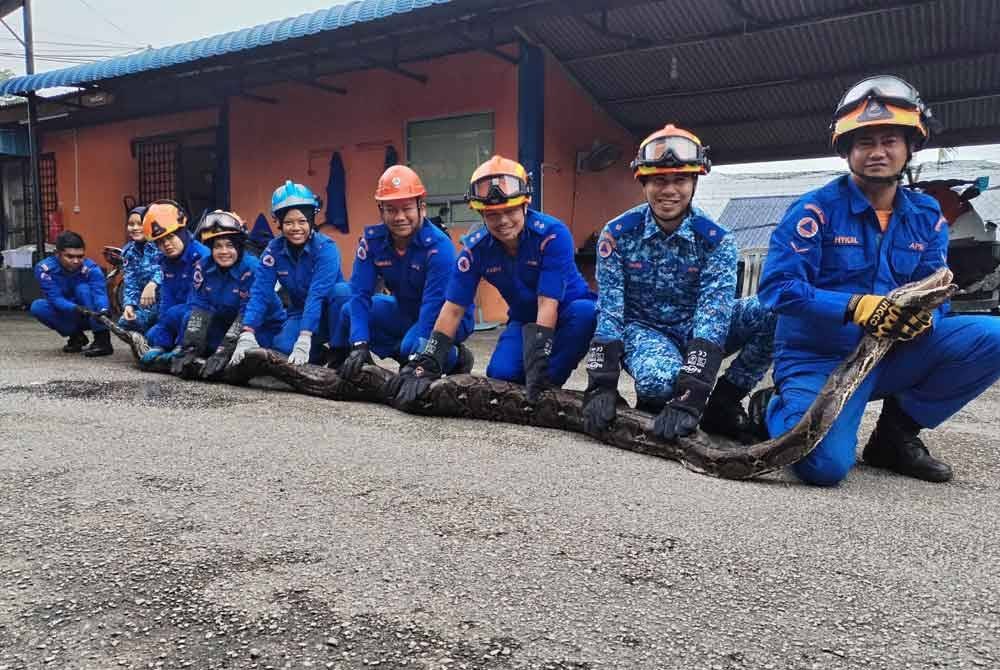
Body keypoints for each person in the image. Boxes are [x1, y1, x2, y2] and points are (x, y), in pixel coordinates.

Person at [757, 75, 1000, 485]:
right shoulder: (814, 210)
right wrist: (854, 307)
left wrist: (927, 320)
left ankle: (894, 438)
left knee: (991, 337)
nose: (877, 152)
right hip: (819, 358)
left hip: (892, 354)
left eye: (889, 141)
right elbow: (777, 289)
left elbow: (936, 293)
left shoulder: (927, 218)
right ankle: (771, 406)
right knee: (823, 467)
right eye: (864, 142)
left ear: (910, 146)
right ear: (846, 149)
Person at [581, 124, 776, 443]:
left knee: (775, 308)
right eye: (659, 180)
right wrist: (602, 383)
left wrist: (694, 393)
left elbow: (714, 317)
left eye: (680, 179)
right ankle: (659, 396)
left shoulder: (716, 240)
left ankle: (724, 401)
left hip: (699, 329)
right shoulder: (617, 235)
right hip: (647, 329)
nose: (669, 190)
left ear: (694, 182)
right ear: (643, 182)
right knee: (660, 383)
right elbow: (611, 311)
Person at [390, 155, 597, 407]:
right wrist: (430, 359)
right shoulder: (475, 248)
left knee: (584, 316)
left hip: (566, 310)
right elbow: (453, 308)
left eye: (510, 211)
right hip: (523, 318)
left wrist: (538, 364)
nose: (502, 221)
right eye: (492, 214)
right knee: (502, 376)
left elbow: (547, 303)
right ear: (480, 213)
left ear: (525, 203)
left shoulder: (552, 234)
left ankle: (550, 382)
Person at [333, 165, 475, 381]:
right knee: (347, 312)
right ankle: (406, 353)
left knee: (412, 346)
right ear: (381, 212)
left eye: (407, 208)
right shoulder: (373, 242)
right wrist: (359, 344)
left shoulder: (438, 247)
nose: (399, 217)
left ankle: (455, 357)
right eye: (391, 209)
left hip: (445, 317)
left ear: (422, 208)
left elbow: (433, 305)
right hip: (407, 310)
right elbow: (359, 294)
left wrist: (421, 356)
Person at [147, 211, 287, 377]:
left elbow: (247, 314)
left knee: (255, 357)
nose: (223, 252)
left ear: (239, 246)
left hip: (261, 327)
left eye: (229, 245)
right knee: (184, 337)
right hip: (225, 321)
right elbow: (200, 307)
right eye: (217, 246)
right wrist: (191, 346)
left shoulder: (253, 268)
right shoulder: (203, 267)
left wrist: (224, 350)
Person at [229, 180, 351, 367]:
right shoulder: (273, 250)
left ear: (311, 220)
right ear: (279, 223)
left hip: (329, 312)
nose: (295, 228)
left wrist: (304, 337)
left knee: (342, 292)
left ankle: (340, 351)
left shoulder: (326, 249)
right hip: (300, 312)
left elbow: (317, 295)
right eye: (288, 222)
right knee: (282, 347)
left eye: (302, 221)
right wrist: (247, 332)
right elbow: (260, 292)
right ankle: (318, 354)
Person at [140, 200, 210, 362]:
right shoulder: (166, 262)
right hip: (178, 315)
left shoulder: (202, 258)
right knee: (152, 335)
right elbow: (167, 300)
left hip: (200, 318)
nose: (166, 245)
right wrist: (160, 344)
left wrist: (180, 343)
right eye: (160, 241)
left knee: (186, 317)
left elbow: (199, 306)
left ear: (183, 231)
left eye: (170, 237)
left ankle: (183, 347)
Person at [30, 230, 114, 356]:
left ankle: (102, 340)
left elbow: (99, 293)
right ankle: (76, 337)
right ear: (57, 254)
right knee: (38, 306)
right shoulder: (44, 270)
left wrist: (103, 309)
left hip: (93, 315)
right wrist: (75, 308)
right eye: (70, 256)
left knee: (83, 289)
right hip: (69, 312)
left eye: (80, 256)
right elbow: (55, 299)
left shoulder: (91, 268)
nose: (76, 261)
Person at [117, 205, 161, 333]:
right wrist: (129, 305)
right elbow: (130, 282)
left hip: (166, 300)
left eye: (140, 223)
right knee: (125, 322)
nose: (135, 228)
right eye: (131, 224)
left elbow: (168, 269)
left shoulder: (162, 244)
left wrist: (153, 284)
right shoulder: (129, 252)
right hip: (144, 303)